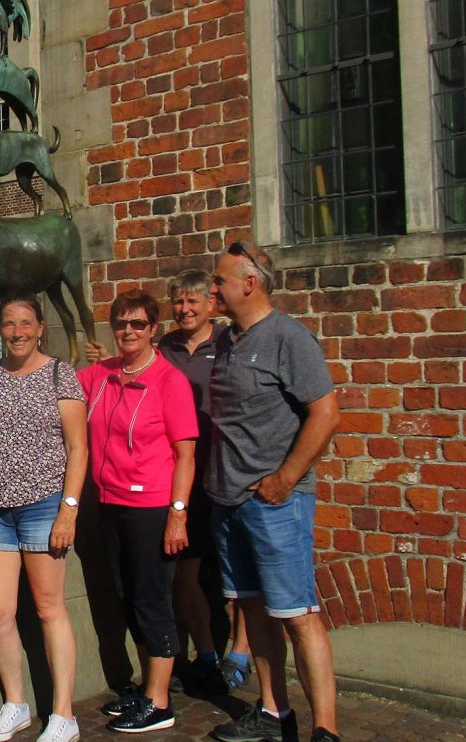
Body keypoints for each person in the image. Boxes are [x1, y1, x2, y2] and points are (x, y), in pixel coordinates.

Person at [207, 242, 341, 742]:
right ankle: (272, 712)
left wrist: (285, 479)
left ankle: (324, 730)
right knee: (254, 608)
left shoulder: (289, 338)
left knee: (298, 615)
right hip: (228, 500)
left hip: (274, 504)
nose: (212, 288)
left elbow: (325, 414)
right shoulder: (226, 341)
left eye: (220, 281)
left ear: (251, 283)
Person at [0, 296, 87, 742]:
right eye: (9, 324)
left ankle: (63, 713)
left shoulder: (61, 374)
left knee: (48, 607)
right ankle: (16, 702)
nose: (18, 332)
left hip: (45, 504)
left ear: (40, 328)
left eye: (26, 323)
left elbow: (78, 448)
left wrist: (69, 509)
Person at [78, 289, 197, 734]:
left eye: (138, 325)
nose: (129, 331)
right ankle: (149, 688)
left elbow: (185, 454)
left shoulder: (170, 381)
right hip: (109, 503)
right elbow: (52, 382)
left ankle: (160, 702)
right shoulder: (102, 374)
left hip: (151, 507)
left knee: (152, 600)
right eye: (122, 323)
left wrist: (178, 513)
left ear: (154, 330)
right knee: (127, 598)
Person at [156, 270, 235, 695]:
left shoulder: (226, 343)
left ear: (210, 304)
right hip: (177, 477)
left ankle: (237, 653)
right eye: (178, 302)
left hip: (220, 472)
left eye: (193, 302)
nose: (185, 309)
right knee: (183, 575)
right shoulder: (164, 347)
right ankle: (202, 657)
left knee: (231, 573)